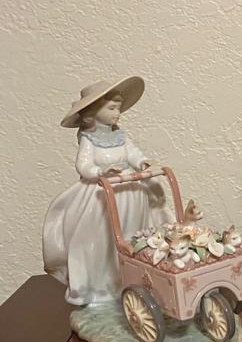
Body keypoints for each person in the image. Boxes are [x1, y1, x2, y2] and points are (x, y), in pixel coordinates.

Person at [43, 77, 166, 305]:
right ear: (93, 112)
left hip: (131, 193)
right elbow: (83, 165)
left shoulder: (121, 135)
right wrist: (101, 171)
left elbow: (133, 154)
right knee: (103, 239)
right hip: (103, 195)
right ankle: (103, 286)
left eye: (118, 108)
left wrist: (143, 163)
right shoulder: (88, 139)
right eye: (111, 108)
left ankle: (133, 280)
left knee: (133, 236)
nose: (117, 113)